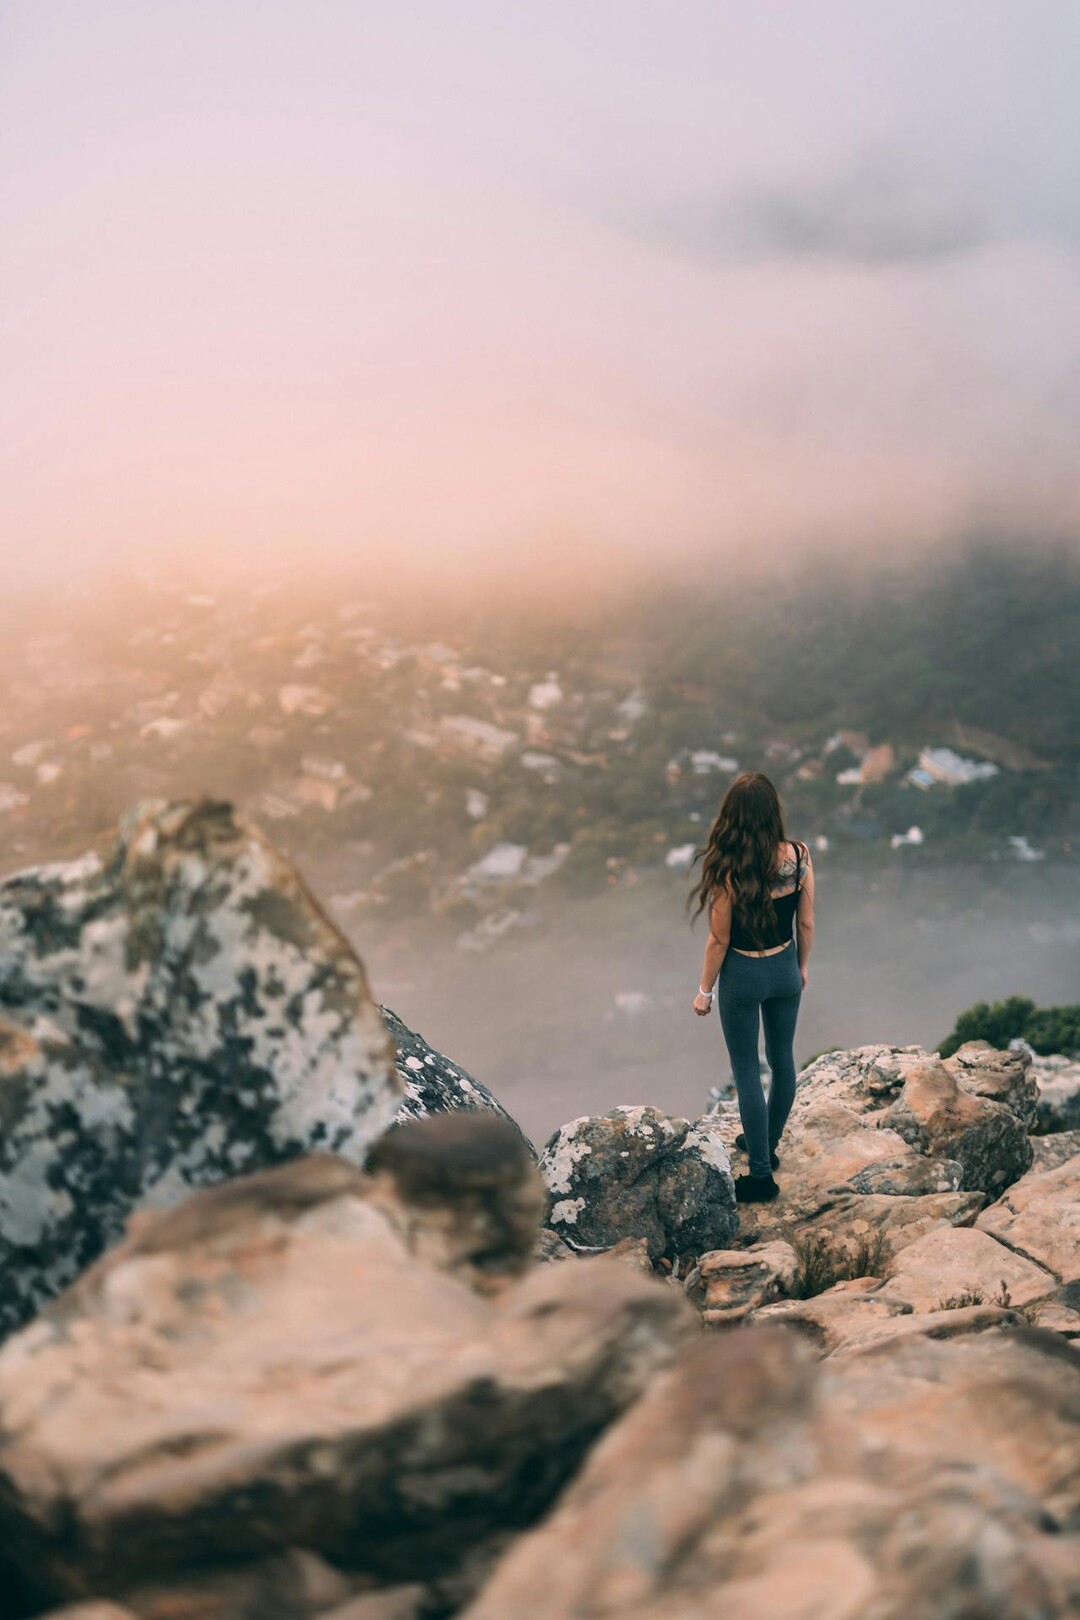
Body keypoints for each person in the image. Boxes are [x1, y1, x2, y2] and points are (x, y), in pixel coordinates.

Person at [687, 772, 815, 1203]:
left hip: (743, 975)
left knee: (746, 1071)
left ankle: (760, 1176)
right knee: (783, 1062)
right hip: (784, 968)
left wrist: (705, 990)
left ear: (733, 817)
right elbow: (806, 922)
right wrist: (801, 967)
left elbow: (719, 940)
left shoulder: (728, 870)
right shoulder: (799, 855)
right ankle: (767, 1146)